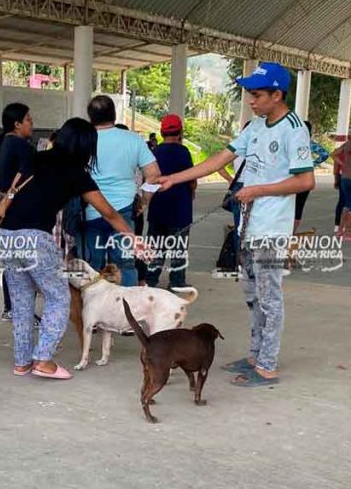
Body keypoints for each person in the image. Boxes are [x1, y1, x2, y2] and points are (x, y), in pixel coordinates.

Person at [158, 62, 314, 387]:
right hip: (247, 226)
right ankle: (255, 355)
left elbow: (305, 181)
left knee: (270, 298)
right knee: (252, 296)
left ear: (277, 94)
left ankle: (267, 366)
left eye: (257, 95)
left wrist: (259, 190)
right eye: (250, 95)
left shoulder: (294, 129)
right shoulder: (255, 127)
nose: (252, 102)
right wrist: (174, 178)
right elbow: (221, 158)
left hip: (271, 230)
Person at [0, 117, 142, 380]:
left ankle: (22, 362)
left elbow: (11, 191)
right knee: (59, 298)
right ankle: (43, 360)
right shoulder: (76, 172)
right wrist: (132, 236)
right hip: (36, 237)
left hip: (8, 236)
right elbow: (108, 212)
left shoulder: (35, 157)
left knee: (21, 302)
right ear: (87, 146)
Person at [83, 95, 158, 286]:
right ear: (114, 115)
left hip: (90, 211)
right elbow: (154, 175)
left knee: (91, 266)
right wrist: (143, 200)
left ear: (90, 117)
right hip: (123, 212)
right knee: (125, 263)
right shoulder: (133, 139)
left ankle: (93, 312)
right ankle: (127, 311)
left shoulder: (83, 140)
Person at [0, 103, 36, 322]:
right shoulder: (21, 145)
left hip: (6, 206)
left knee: (13, 263)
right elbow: (26, 174)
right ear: (17, 124)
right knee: (24, 264)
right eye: (28, 119)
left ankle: (11, 307)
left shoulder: (3, 142)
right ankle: (20, 310)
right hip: (18, 209)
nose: (32, 123)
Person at [143, 114, 195, 289]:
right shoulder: (184, 152)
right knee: (179, 247)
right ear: (180, 132)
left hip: (158, 207)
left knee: (156, 246)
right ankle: (177, 281)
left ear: (161, 132)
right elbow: (192, 179)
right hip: (180, 208)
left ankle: (150, 279)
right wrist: (192, 191)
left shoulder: (154, 152)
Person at [293, 121, 331, 232]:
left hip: (290, 178)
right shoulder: (309, 144)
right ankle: (291, 233)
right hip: (305, 178)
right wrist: (313, 164)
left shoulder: (291, 142)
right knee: (299, 207)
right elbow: (324, 154)